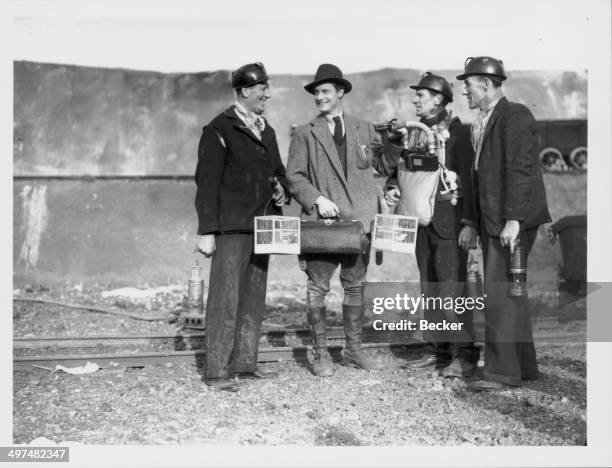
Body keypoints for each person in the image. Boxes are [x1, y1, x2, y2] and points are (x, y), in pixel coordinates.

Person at [375, 72, 480, 379]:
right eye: (416, 95)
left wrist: (469, 222)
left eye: (421, 95)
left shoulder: (459, 134)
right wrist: (393, 185)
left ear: (439, 99)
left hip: (449, 223)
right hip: (422, 222)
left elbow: (471, 183)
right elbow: (406, 169)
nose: (415, 100)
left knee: (452, 289)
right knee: (430, 287)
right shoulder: (416, 133)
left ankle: (466, 354)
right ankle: (440, 351)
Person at [456, 56, 551, 391]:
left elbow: (520, 170)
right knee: (513, 293)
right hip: (495, 219)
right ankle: (523, 368)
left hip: (511, 221)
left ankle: (500, 373)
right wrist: (471, 220)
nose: (464, 91)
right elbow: (478, 175)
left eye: (467, 85)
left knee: (501, 294)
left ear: (485, 83)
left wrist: (513, 218)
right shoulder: (483, 120)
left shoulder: (515, 115)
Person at [195, 62, 289, 391]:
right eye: (262, 87)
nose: (268, 93)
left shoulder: (268, 130)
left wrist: (281, 186)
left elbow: (279, 171)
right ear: (245, 90)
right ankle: (217, 372)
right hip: (232, 228)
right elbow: (206, 184)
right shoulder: (219, 129)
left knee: (253, 298)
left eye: (268, 87)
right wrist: (207, 231)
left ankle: (245, 364)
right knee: (225, 299)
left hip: (263, 226)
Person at [286, 63, 383, 377]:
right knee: (318, 289)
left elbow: (383, 164)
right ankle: (321, 355)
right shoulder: (305, 133)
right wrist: (317, 199)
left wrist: (394, 143)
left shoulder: (364, 129)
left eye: (325, 91)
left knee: (355, 287)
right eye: (316, 92)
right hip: (323, 226)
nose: (319, 97)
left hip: (358, 227)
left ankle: (354, 350)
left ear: (340, 92)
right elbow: (294, 177)